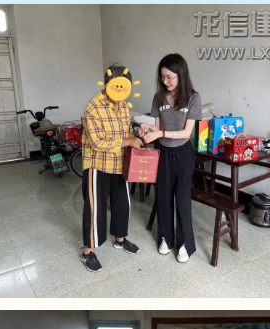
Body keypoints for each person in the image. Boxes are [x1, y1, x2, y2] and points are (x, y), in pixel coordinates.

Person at [79, 64, 143, 273]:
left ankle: (120, 239)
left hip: (119, 164)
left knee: (122, 204)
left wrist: (137, 133)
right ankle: (88, 251)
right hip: (97, 164)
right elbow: (97, 142)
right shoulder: (93, 106)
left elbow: (127, 133)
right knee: (95, 208)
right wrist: (129, 141)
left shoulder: (124, 106)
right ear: (107, 84)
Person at [139, 54, 202, 263]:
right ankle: (166, 238)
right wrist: (149, 127)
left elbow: (186, 133)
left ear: (181, 75)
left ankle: (185, 244)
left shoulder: (193, 98)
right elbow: (158, 126)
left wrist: (160, 133)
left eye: (169, 77)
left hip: (183, 152)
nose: (165, 81)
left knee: (182, 199)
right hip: (163, 152)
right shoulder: (159, 97)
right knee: (163, 197)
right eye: (162, 77)